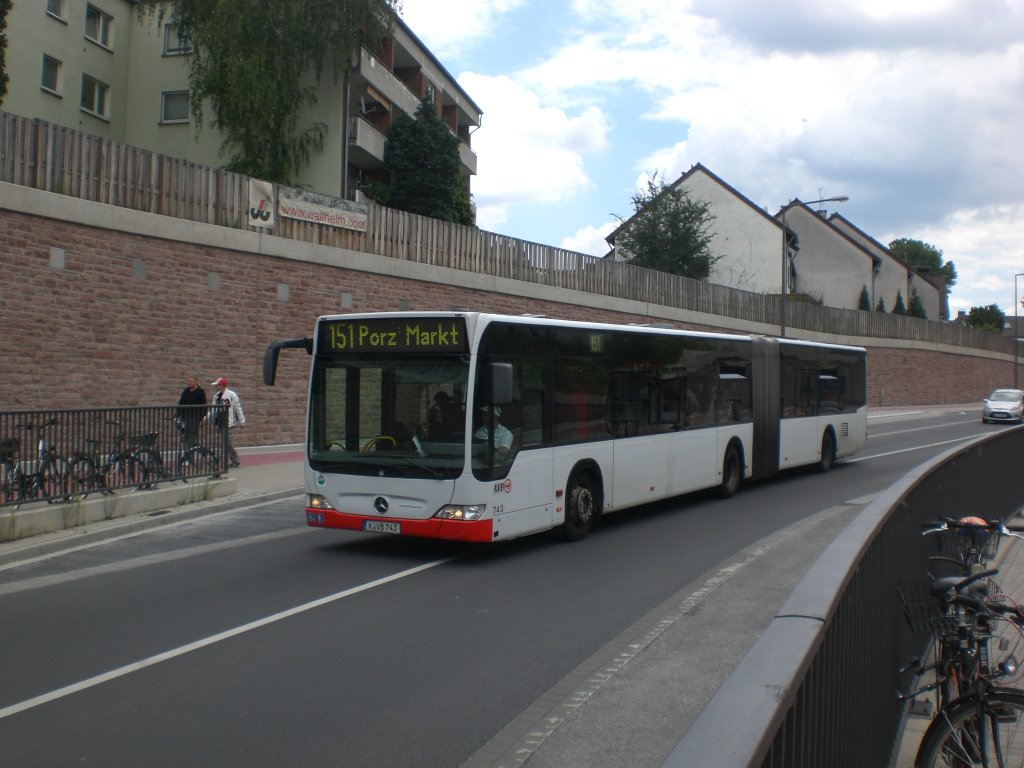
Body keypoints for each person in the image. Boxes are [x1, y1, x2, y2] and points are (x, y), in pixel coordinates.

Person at [209, 377, 245, 467]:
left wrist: (242, 421)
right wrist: (206, 418)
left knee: (225, 443)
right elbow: (213, 409)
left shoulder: (231, 395)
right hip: (219, 421)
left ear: (221, 385)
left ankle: (215, 461)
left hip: (228, 422)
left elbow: (238, 408)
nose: (216, 386)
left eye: (217, 385)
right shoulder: (216, 396)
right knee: (225, 443)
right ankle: (235, 461)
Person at [176, 375, 207, 445]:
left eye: (191, 381)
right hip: (184, 417)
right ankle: (186, 453)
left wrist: (201, 418)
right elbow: (181, 403)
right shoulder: (186, 390)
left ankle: (192, 454)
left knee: (191, 437)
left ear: (196, 382)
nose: (189, 383)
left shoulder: (200, 391)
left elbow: (204, 405)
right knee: (184, 437)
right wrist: (177, 415)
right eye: (188, 381)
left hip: (194, 418)